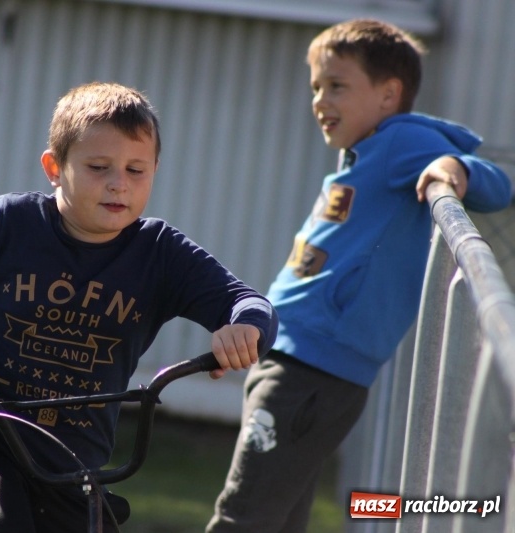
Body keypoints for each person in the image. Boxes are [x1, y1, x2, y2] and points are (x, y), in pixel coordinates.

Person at [0, 81, 279, 533]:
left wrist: (246, 328)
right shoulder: (10, 224)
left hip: (73, 467)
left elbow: (247, 302)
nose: (118, 183)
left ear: (156, 169)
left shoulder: (159, 253)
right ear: (55, 167)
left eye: (136, 170)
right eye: (99, 167)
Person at [206, 18, 513, 533]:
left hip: (312, 371)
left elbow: (497, 185)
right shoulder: (363, 156)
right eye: (316, 87)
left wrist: (455, 170)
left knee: (242, 517)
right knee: (277, 516)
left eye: (337, 86)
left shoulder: (400, 140)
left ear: (389, 94)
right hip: (289, 356)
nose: (320, 100)